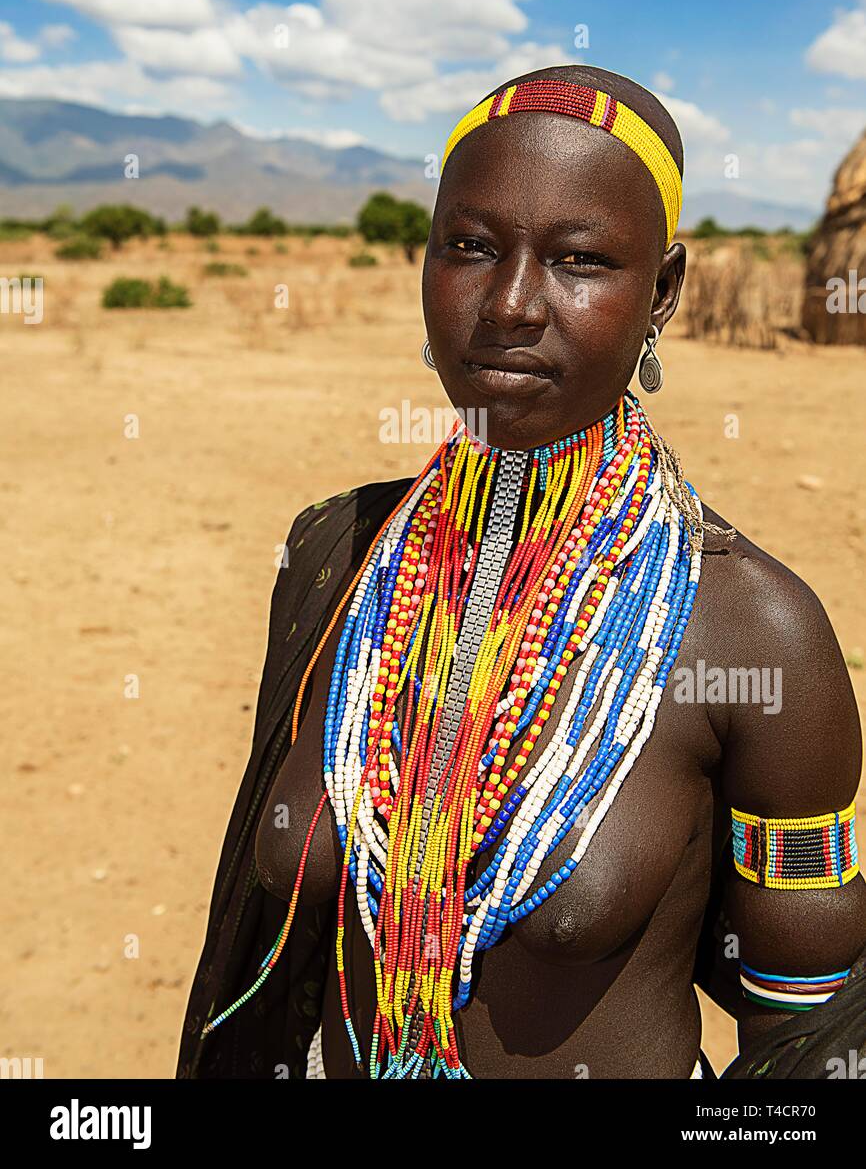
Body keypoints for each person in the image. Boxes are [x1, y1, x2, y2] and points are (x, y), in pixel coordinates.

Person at [176, 65, 866, 1080]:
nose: (506, 303)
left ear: (661, 291)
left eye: (579, 259)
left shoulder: (755, 632)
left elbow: (811, 1032)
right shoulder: (337, 558)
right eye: (469, 246)